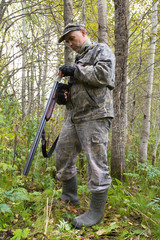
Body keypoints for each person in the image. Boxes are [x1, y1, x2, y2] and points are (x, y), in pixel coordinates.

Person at [55, 22, 115, 229]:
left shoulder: (101, 50)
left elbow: (103, 75)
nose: (70, 43)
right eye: (67, 41)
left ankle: (96, 212)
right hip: (74, 116)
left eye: (72, 38)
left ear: (83, 33)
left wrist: (74, 71)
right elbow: (80, 87)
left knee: (96, 164)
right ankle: (70, 197)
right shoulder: (79, 60)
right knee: (62, 155)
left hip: (96, 115)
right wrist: (65, 96)